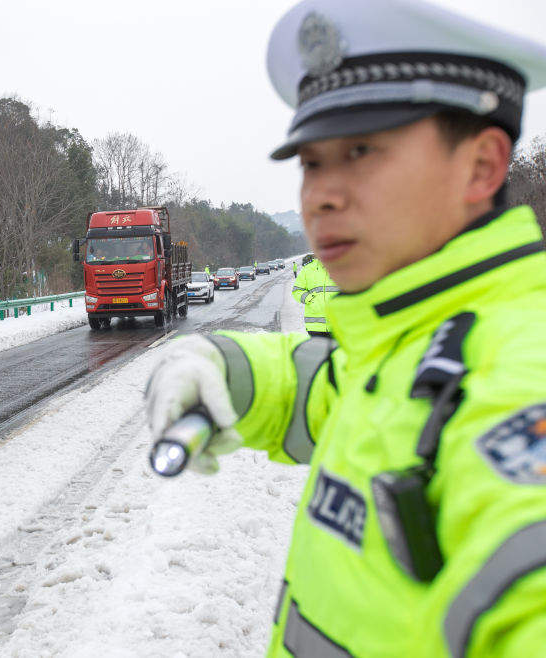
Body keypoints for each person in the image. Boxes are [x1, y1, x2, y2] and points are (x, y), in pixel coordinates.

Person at [145, 1, 546, 656]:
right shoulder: (412, 341)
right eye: (311, 162)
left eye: (361, 150)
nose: (321, 196)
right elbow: (330, 387)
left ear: (482, 166)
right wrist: (222, 368)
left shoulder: (517, 381)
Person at [291, 253, 339, 337]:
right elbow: (297, 290)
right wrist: (310, 299)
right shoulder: (308, 269)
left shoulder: (344, 267)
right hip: (315, 327)